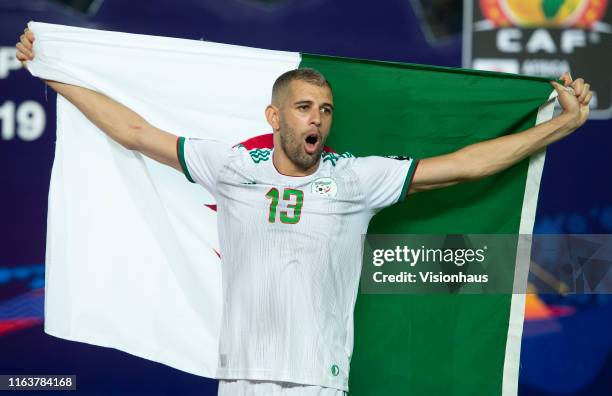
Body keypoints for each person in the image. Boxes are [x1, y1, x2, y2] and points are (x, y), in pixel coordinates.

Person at [17, 27, 592, 396]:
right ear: (274, 117)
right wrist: (53, 72)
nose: (316, 118)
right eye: (303, 107)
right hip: (240, 381)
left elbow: (465, 165)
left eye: (325, 109)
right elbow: (135, 131)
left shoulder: (356, 179)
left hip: (319, 384)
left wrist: (562, 125)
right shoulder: (232, 166)